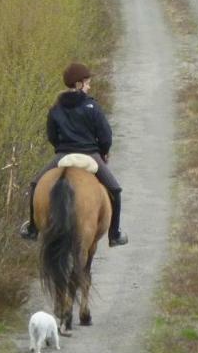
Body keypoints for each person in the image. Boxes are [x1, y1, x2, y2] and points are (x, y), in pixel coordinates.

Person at [19, 62, 129, 246]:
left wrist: (61, 148)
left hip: (63, 155)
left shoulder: (55, 108)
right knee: (115, 190)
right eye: (87, 83)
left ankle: (32, 229)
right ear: (78, 84)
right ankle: (114, 234)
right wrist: (103, 152)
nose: (89, 86)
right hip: (90, 154)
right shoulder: (92, 107)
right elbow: (105, 135)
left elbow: (52, 136)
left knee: (35, 184)